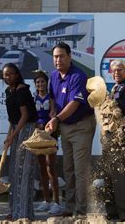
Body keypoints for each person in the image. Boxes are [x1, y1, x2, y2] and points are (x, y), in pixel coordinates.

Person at [45, 42, 96, 216]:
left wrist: (56, 118)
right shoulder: (53, 75)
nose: (58, 60)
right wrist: (53, 111)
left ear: (69, 56)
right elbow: (52, 97)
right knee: (68, 169)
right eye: (55, 56)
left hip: (82, 125)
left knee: (80, 170)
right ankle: (69, 207)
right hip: (65, 127)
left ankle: (81, 210)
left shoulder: (78, 76)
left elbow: (74, 104)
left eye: (61, 56)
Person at [103, 59, 125, 221]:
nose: (116, 73)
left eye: (119, 70)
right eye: (114, 70)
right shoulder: (115, 88)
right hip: (110, 138)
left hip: (123, 139)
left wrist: (109, 102)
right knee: (109, 177)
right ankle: (112, 211)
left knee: (121, 179)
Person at [2, 63, 38, 220]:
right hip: (16, 128)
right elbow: (13, 118)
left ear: (17, 75)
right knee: (14, 171)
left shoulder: (23, 90)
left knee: (24, 170)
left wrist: (15, 134)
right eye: (5, 74)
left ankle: (23, 212)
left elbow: (25, 115)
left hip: (27, 129)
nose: (7, 77)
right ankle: (14, 210)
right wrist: (10, 135)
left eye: (10, 74)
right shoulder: (8, 91)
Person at [32, 70, 62, 215]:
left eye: (42, 81)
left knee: (51, 167)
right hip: (38, 135)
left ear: (46, 82)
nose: (40, 84)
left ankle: (57, 202)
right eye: (38, 82)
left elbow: (53, 113)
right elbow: (31, 115)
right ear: (35, 84)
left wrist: (52, 116)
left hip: (50, 134)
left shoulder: (51, 98)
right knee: (42, 168)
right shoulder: (33, 97)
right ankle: (46, 200)